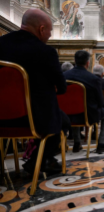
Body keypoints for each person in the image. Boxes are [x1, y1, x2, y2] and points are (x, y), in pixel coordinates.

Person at [0, 9, 70, 175]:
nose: (50, 35)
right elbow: (62, 87)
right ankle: (39, 160)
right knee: (63, 121)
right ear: (41, 29)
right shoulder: (46, 52)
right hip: (31, 119)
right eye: (50, 31)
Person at [63, 51, 104, 153]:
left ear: (75, 61)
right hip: (89, 114)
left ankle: (77, 143)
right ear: (88, 63)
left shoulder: (64, 76)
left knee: (75, 109)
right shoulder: (93, 78)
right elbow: (101, 102)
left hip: (67, 115)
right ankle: (101, 144)